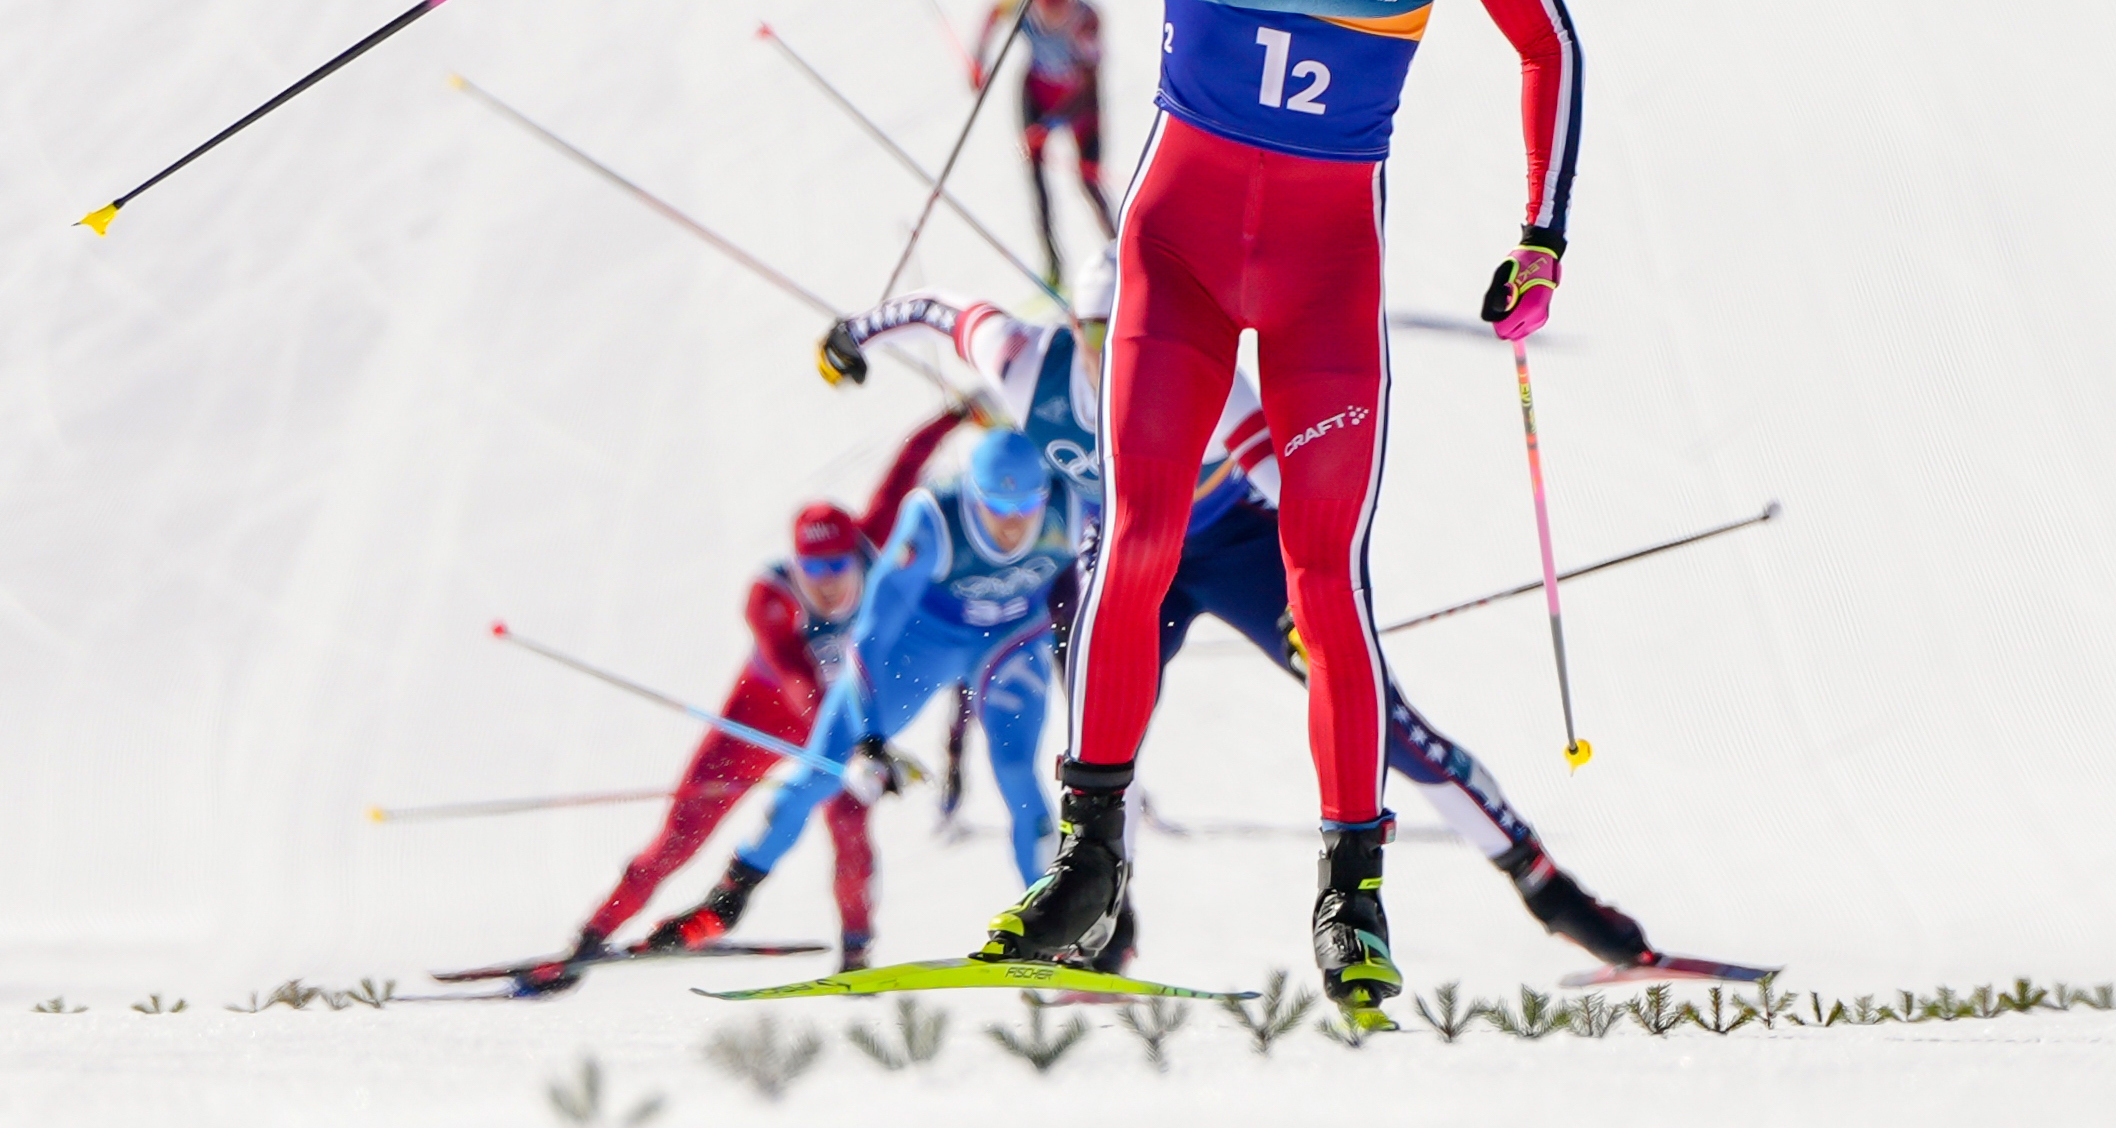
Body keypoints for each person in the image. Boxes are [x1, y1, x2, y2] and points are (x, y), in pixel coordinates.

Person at [960, 0, 1583, 1015]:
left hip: (1322, 281)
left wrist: (1538, 232)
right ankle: (1085, 862)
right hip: (1176, 255)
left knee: (1324, 583)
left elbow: (1546, 44)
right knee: (1139, 543)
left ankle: (1350, 898)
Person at [819, 248, 1648, 977]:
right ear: (1075, 324)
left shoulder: (1199, 366)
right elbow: (935, 311)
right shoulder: (1024, 360)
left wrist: (1311, 594)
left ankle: (1544, 885)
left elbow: (1288, 481)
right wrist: (856, 332)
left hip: (1235, 550)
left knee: (1376, 718)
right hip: (1126, 552)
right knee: (1107, 734)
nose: (1121, 357)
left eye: (1136, 331)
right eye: (1103, 334)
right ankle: (1108, 921)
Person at [518, 406, 965, 991]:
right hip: (762, 718)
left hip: (832, 725)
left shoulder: (870, 545)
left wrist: (955, 415)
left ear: (856, 552)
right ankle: (586, 944)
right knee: (678, 839)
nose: (828, 580)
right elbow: (798, 678)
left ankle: (857, 959)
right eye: (814, 567)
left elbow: (904, 469)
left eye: (838, 565)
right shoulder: (769, 597)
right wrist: (854, 746)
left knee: (851, 829)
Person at [647, 428, 1078, 958]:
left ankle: (1052, 929)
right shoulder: (935, 520)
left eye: (1026, 505)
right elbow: (871, 629)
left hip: (1010, 642)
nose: (1013, 522)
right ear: (973, 494)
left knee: (1017, 772)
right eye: (997, 504)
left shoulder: (1070, 502)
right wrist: (870, 739)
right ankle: (729, 899)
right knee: (822, 769)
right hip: (920, 645)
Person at [973, 0, 1114, 286]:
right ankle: (1053, 266)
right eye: (1045, 2)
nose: (1051, 10)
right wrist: (978, 60)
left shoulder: (1085, 18)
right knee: (1037, 182)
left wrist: (1050, 126)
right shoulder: (1021, 2)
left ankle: (1120, 249)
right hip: (1036, 93)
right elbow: (993, 11)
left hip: (1077, 102)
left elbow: (1090, 81)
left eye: (1056, 1)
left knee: (1089, 181)